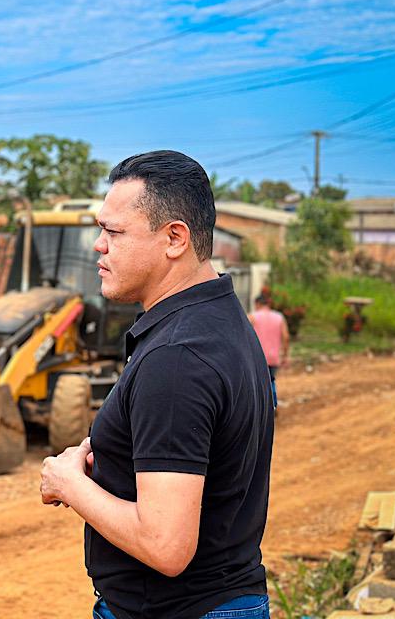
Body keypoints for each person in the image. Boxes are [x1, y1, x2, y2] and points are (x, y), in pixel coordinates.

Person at [40, 150, 275, 619]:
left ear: (174, 239)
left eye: (113, 231)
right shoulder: (219, 319)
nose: (97, 246)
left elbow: (165, 545)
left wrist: (69, 484)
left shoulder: (176, 358)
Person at [248, 293, 290, 407]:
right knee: (271, 381)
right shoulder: (279, 317)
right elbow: (286, 337)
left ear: (257, 304)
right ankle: (273, 406)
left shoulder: (252, 317)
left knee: (257, 384)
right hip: (273, 358)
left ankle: (260, 409)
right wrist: (285, 356)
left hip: (256, 358)